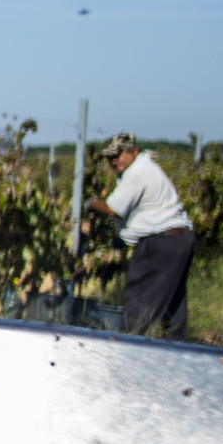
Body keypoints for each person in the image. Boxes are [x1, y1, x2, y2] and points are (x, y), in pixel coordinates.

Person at [84, 132, 196, 338]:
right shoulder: (146, 167)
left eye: (119, 154)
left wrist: (90, 204)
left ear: (134, 151)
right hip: (180, 239)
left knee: (139, 301)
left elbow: (111, 208)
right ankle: (178, 351)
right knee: (173, 302)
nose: (114, 160)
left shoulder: (137, 172)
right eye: (110, 157)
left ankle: (127, 351)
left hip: (161, 241)